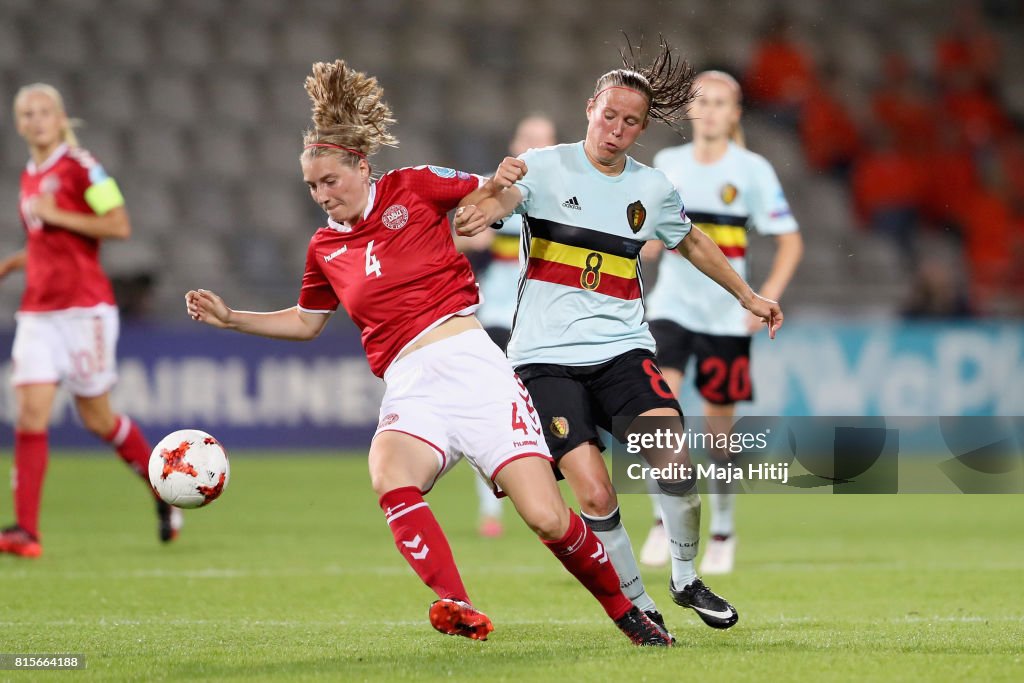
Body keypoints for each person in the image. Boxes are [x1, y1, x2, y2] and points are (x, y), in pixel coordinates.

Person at [185, 59, 672, 646]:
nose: (321, 196)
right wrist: (232, 318)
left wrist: (499, 184)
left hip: (471, 364)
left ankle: (628, 614)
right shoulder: (324, 248)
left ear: (361, 166)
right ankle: (457, 603)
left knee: (546, 516)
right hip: (409, 384)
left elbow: (491, 193)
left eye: (330, 182)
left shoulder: (413, 185)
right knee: (389, 473)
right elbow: (307, 321)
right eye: (312, 187)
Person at [454, 40, 782, 633]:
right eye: (610, 115)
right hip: (544, 363)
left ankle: (684, 579)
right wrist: (485, 195)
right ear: (590, 108)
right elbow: (486, 208)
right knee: (597, 496)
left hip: (623, 351)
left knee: (676, 466)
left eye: (631, 122)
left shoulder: (651, 189)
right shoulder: (543, 166)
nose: (617, 129)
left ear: (640, 129)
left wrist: (748, 297)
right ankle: (639, 604)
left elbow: (695, 242)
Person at [0, 83, 181, 558]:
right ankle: (26, 531)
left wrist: (59, 214)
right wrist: (17, 261)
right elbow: (48, 240)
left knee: (97, 418)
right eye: (27, 113)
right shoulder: (30, 175)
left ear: (60, 119)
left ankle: (162, 491)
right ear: (19, 124)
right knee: (30, 413)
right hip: (39, 311)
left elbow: (118, 223)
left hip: (85, 311)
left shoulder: (84, 167)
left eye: (44, 112)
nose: (36, 120)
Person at [639, 70, 803, 574]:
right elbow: (651, 235)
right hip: (672, 307)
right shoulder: (667, 164)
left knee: (719, 436)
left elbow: (789, 241)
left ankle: (723, 530)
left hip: (726, 317)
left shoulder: (752, 170)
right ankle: (664, 522)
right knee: (657, 416)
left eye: (720, 103)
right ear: (689, 110)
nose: (708, 110)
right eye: (701, 101)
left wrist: (763, 297)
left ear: (734, 114)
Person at [456, 114, 557, 539]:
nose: (533, 145)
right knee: (490, 408)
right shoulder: (489, 186)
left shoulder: (563, 190)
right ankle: (491, 508)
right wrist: (468, 235)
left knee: (548, 409)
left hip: (546, 317)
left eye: (542, 139)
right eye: (527, 137)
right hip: (497, 315)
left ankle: (550, 497)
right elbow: (454, 238)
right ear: (515, 142)